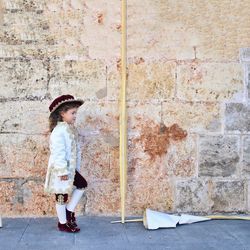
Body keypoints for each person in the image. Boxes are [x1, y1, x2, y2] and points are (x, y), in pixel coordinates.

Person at [44, 94, 88, 233]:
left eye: (76, 113)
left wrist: (75, 168)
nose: (75, 116)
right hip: (61, 170)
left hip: (70, 169)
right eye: (72, 113)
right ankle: (62, 223)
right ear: (62, 113)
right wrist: (62, 171)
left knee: (81, 185)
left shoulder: (69, 128)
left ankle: (69, 212)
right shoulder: (58, 131)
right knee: (61, 194)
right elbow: (58, 152)